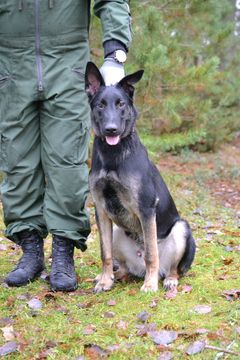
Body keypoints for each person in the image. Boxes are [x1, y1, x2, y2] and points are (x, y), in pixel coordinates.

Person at [0, 0, 131, 292]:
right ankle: (30, 250)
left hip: (68, 63)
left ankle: (64, 250)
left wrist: (115, 51)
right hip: (9, 65)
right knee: (17, 160)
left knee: (66, 161)